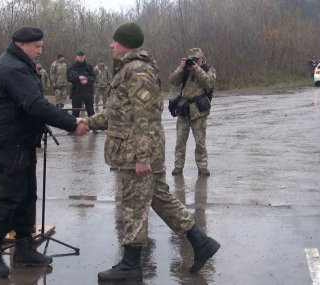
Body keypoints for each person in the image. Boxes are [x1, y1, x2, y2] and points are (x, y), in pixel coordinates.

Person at [84, 23, 220, 282]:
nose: (111, 45)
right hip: (140, 150)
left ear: (127, 43)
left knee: (134, 204)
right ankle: (201, 243)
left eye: (115, 41)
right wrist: (88, 122)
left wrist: (142, 158)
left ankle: (130, 266)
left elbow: (145, 117)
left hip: (139, 152)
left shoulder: (138, 71)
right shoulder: (128, 69)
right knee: (160, 198)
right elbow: (120, 114)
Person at [0, 26, 88, 277]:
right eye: (37, 46)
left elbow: (32, 104)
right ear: (21, 44)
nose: (41, 51)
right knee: (12, 199)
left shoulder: (20, 64)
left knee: (28, 195)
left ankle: (25, 247)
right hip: (8, 142)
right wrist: (71, 124)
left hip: (21, 141)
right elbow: (34, 104)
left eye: (41, 46)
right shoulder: (12, 68)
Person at [169, 48, 216, 176]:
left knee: (200, 143)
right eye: (192, 59)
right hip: (184, 110)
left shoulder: (208, 69)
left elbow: (209, 84)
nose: (193, 62)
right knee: (180, 142)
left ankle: (202, 167)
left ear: (202, 58)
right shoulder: (185, 70)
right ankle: (178, 167)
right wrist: (181, 68)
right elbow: (173, 81)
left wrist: (197, 69)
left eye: (196, 59)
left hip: (198, 112)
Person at [67, 51, 96, 119]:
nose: (81, 57)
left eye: (82, 56)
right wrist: (78, 78)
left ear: (84, 56)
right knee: (75, 113)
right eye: (79, 56)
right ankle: (74, 127)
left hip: (88, 92)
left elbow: (94, 78)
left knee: (91, 112)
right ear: (76, 57)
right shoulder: (72, 67)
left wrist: (87, 80)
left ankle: (94, 128)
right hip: (76, 92)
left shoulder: (89, 67)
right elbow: (69, 78)